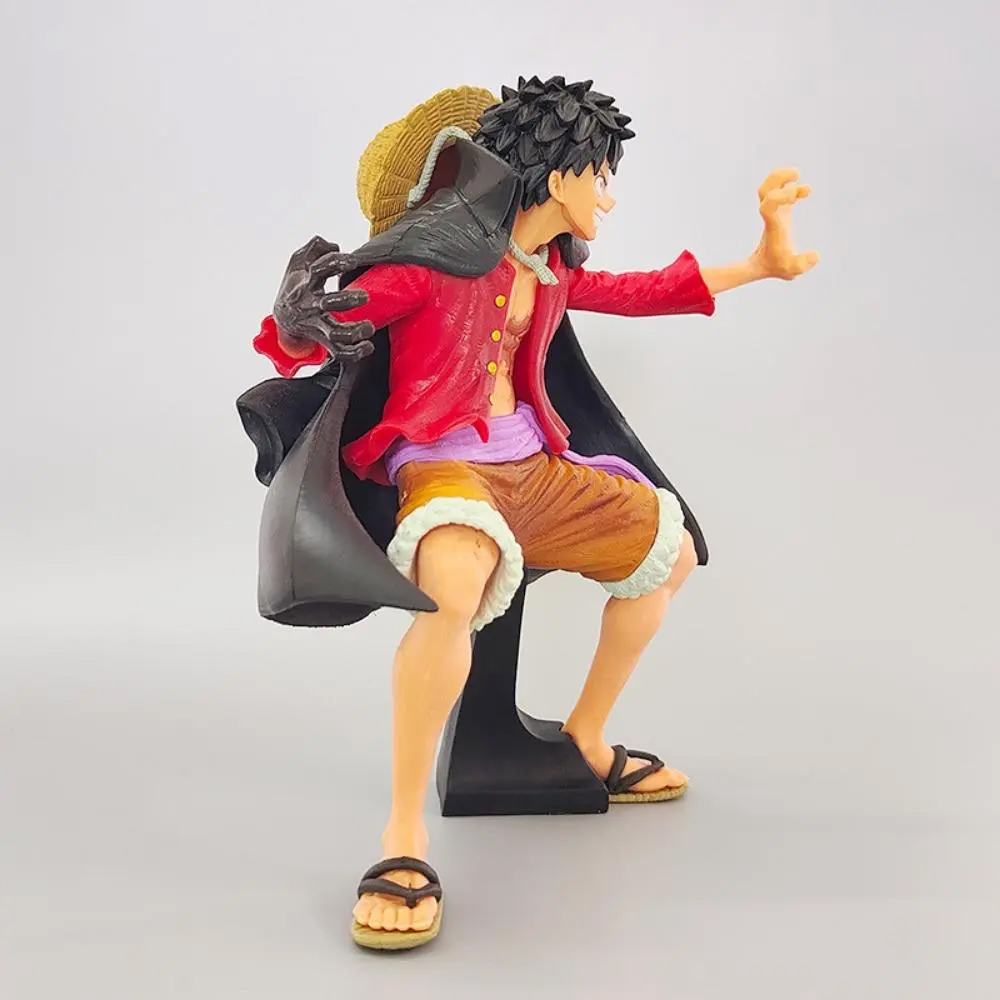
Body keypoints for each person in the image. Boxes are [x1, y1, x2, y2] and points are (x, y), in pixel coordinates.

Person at [245, 75, 818, 951]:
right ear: (558, 175)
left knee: (669, 554)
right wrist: (295, 318)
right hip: (445, 464)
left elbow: (638, 291)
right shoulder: (431, 262)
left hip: (537, 465)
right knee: (453, 584)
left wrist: (759, 263)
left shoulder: (548, 268)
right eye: (600, 176)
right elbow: (318, 326)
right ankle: (403, 833)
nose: (608, 196)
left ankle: (585, 739)